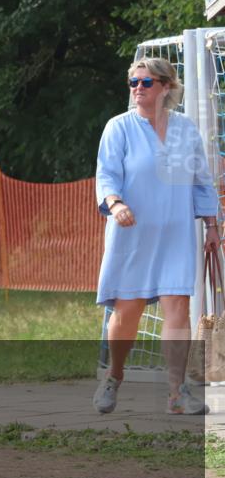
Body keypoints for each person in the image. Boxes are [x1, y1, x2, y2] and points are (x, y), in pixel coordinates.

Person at [93, 57, 217, 415]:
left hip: (177, 233)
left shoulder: (186, 130)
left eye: (145, 83)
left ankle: (177, 394)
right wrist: (115, 205)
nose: (137, 89)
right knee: (127, 313)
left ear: (166, 87)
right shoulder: (118, 128)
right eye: (133, 82)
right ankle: (114, 376)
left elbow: (201, 182)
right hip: (131, 234)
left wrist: (211, 226)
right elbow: (107, 176)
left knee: (178, 308)